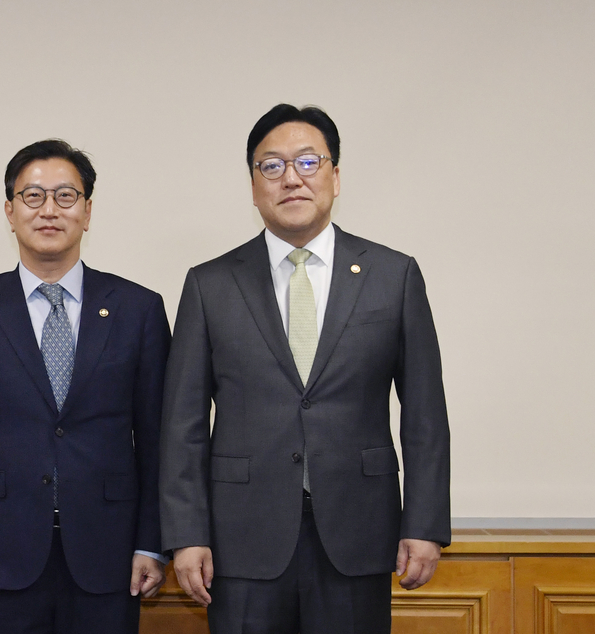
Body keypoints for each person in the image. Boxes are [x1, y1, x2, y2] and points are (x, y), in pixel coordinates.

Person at [159, 104, 451, 633]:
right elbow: (183, 424)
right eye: (272, 165)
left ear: (335, 177)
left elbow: (425, 416)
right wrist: (186, 533)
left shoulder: (394, 276)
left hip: (359, 531)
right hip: (240, 538)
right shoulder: (210, 284)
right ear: (253, 186)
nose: (291, 178)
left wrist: (425, 523)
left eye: (308, 162)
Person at [0, 139, 170, 633]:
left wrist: (152, 542)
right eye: (33, 196)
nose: (49, 210)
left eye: (65, 196)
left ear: (87, 211)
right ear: (10, 211)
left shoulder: (139, 309)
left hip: (111, 552)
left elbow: (158, 442)